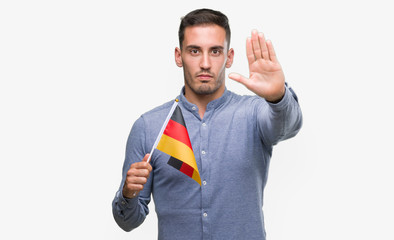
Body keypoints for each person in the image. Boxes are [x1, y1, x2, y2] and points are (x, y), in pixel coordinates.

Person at [112, 8, 303, 240]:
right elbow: (128, 222)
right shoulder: (150, 127)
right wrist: (128, 193)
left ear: (229, 57)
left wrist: (278, 97)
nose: (205, 63)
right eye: (194, 51)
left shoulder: (254, 113)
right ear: (178, 56)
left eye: (215, 51)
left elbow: (288, 126)